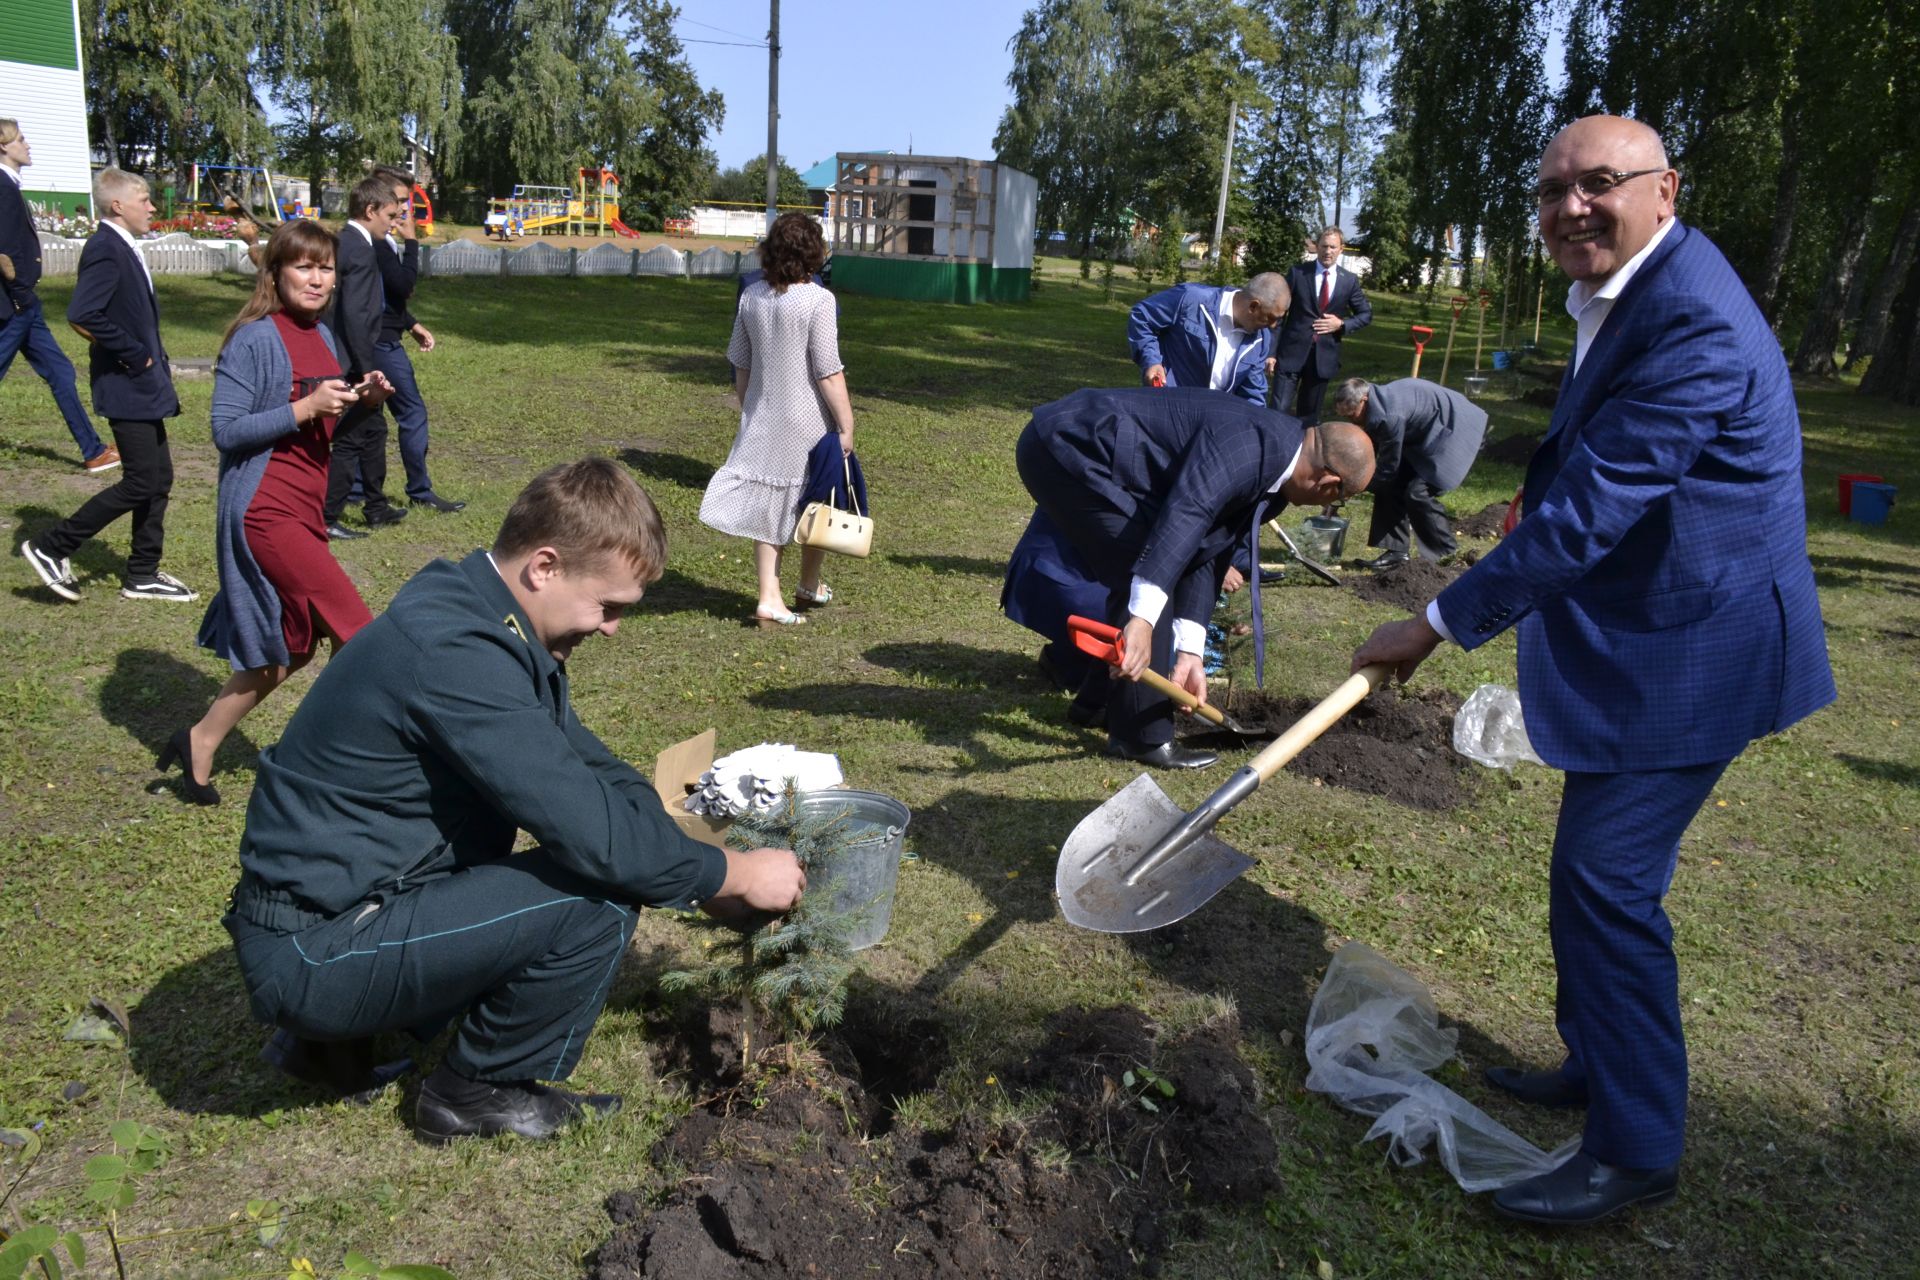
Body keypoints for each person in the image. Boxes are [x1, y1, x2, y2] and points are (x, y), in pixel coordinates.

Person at [1350, 115, 1835, 1225]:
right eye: (1553, 190)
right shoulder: (1633, 283)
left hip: (1704, 649)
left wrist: (1433, 620)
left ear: (1665, 189)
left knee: (1608, 884)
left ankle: (1633, 1149)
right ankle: (1596, 1062)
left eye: (1599, 184)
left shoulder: (1696, 316)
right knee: (1594, 870)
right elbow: (1592, 468)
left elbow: (1594, 513)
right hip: (1667, 629)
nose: (1572, 207)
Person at [222, 457, 808, 1142]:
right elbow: (595, 837)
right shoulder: (459, 654)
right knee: (598, 895)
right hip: (311, 951)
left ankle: (331, 1038)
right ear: (545, 566)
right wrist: (733, 874)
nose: (613, 627)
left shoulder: (479, 615)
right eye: (608, 605)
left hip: (327, 917)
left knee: (609, 856)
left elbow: (593, 769)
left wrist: (694, 868)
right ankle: (476, 1090)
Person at [158, 221, 394, 806]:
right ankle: (343, 770)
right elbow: (226, 430)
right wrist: (305, 405)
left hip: (304, 506)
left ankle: (199, 741)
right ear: (276, 273)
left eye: (326, 269)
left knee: (291, 646)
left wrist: (363, 402)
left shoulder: (325, 339)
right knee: (358, 634)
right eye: (304, 267)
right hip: (264, 509)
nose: (317, 279)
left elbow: (322, 428)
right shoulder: (255, 338)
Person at [1017, 386, 1374, 769]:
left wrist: (1190, 652)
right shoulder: (1251, 449)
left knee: (1154, 570)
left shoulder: (1278, 469)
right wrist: (1141, 619)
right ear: (1328, 484)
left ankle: (1096, 703)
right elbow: (1188, 512)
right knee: (1145, 572)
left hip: (1107, 458)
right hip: (1069, 447)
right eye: (1337, 499)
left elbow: (1207, 549)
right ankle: (1141, 737)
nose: (1328, 506)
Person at [20, 169, 194, 603]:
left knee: (159, 477)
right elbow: (83, 312)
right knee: (140, 482)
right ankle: (50, 546)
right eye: (145, 199)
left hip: (142, 383)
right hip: (126, 383)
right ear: (118, 205)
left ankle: (142, 573)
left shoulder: (122, 246)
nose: (153, 207)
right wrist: (134, 353)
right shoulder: (105, 248)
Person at [700, 212, 854, 626]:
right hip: (806, 420)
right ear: (813, 253)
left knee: (774, 504)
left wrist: (749, 406)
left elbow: (740, 361)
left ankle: (787, 590)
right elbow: (828, 370)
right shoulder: (819, 300)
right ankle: (790, 590)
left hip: (763, 415)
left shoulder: (752, 297)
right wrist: (847, 424)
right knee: (813, 499)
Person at [339, 167, 464, 516]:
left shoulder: (375, 238)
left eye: (404, 205)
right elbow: (401, 286)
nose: (402, 213)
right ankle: (419, 491)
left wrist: (410, 323)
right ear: (377, 202)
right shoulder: (373, 241)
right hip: (379, 343)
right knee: (411, 411)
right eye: (397, 205)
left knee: (369, 417)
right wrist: (412, 242)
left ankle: (359, 490)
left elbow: (384, 297)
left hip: (385, 334)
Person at [0, 119, 119, 474]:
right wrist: (20, 297)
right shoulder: (3, 189)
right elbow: (3, 251)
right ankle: (93, 448)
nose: (28, 145)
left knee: (60, 371)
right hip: (13, 304)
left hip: (23, 304)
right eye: (21, 139)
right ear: (3, 146)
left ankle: (93, 450)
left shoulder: (10, 186)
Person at [321, 176, 408, 540]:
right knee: (351, 439)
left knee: (373, 432)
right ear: (370, 210)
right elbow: (354, 313)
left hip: (356, 355)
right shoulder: (356, 247)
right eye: (390, 214)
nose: (395, 221)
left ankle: (374, 508)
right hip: (351, 359)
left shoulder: (356, 242)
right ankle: (326, 516)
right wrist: (364, 366)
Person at [1328, 376, 1488, 569]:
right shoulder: (1376, 403)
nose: (1351, 421)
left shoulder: (1388, 415)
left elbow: (1388, 468)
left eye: (1352, 415)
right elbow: (1372, 453)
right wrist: (1346, 485)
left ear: (1364, 400)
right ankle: (1397, 553)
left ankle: (1446, 555)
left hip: (1455, 427)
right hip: (1427, 428)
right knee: (1388, 485)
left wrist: (1351, 489)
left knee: (1418, 492)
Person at [1126, 274, 1290, 404]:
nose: (1273, 326)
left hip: (1210, 426)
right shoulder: (1192, 300)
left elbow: (1252, 394)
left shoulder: (1260, 339)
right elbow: (1142, 317)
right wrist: (1151, 361)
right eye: (1270, 318)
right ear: (1253, 306)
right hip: (1166, 407)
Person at [1269, 226, 1372, 422]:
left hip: (1322, 360)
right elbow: (1279, 313)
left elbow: (1365, 314)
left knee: (1308, 419)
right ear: (1317, 247)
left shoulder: (1348, 281)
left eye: (1333, 247)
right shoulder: (1298, 273)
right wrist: (1271, 352)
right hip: (1291, 354)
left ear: (1341, 249)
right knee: (1277, 412)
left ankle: (1303, 452)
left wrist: (1341, 324)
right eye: (1324, 246)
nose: (1328, 251)